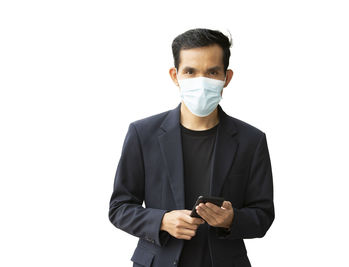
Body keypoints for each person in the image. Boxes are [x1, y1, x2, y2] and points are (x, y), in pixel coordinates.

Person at [108, 28, 274, 267]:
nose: (201, 81)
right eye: (190, 71)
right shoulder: (143, 134)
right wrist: (162, 220)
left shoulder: (251, 140)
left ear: (226, 78)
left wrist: (231, 219)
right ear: (175, 76)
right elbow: (119, 208)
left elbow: (263, 215)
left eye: (212, 72)